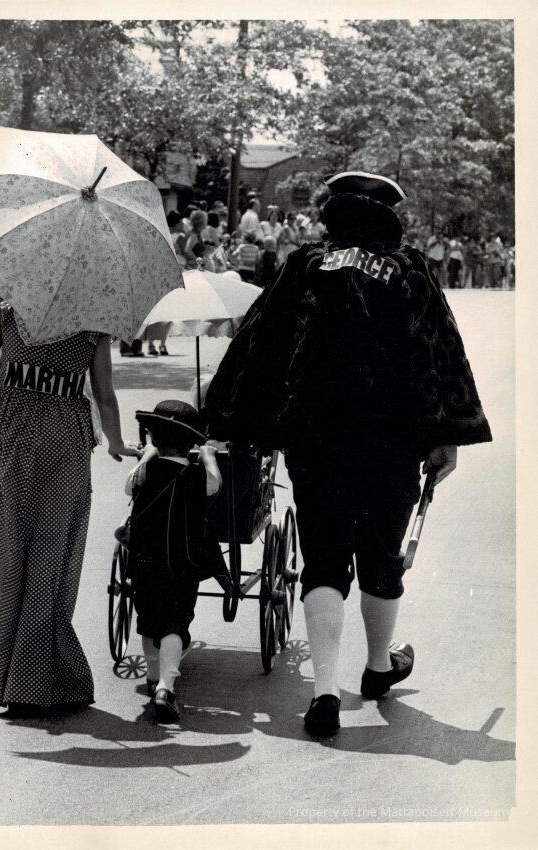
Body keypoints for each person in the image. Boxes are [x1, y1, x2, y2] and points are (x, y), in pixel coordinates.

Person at [203, 171, 492, 738]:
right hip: (393, 440)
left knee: (325, 557)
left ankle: (325, 693)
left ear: (335, 210)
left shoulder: (305, 265)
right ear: (389, 214)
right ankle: (379, 666)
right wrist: (447, 435)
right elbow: (439, 352)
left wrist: (237, 421)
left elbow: (261, 345)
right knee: (383, 554)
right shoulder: (409, 270)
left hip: (317, 439)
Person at [0, 300, 142, 717]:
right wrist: (116, 442)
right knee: (52, 554)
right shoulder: (94, 320)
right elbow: (105, 395)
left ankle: (19, 681)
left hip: (11, 427)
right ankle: (42, 678)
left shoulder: (10, 307)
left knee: (11, 553)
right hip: (62, 434)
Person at [125, 401, 222, 722]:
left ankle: (153, 677)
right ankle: (166, 687)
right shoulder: (194, 475)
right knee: (175, 622)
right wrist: (208, 457)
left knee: (148, 618)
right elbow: (215, 484)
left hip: (143, 562)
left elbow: (129, 485)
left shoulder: (145, 472)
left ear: (154, 437)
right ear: (191, 442)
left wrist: (147, 456)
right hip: (182, 564)